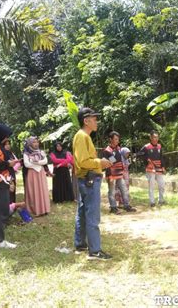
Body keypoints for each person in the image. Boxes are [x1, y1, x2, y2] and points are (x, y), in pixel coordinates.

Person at [72, 107, 113, 260]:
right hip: (89, 180)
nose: (97, 121)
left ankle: (80, 244)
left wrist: (99, 163)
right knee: (92, 216)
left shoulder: (83, 136)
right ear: (86, 121)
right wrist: (100, 162)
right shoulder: (82, 136)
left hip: (85, 180)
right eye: (94, 119)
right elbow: (83, 162)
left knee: (83, 213)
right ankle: (95, 251)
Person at [102, 132, 136, 214]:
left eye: (118, 139)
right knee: (112, 191)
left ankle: (126, 205)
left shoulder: (118, 149)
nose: (117, 141)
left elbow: (118, 160)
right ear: (110, 139)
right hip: (111, 174)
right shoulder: (107, 151)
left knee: (124, 189)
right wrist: (109, 176)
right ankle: (113, 207)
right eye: (115, 139)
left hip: (119, 174)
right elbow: (110, 163)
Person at [137, 131, 166, 207]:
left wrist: (163, 167)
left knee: (162, 184)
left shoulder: (159, 146)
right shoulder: (146, 147)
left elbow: (161, 157)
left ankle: (161, 200)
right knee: (151, 186)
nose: (155, 139)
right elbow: (139, 154)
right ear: (150, 138)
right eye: (154, 137)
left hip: (159, 168)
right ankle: (152, 202)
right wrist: (147, 160)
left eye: (157, 137)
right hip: (150, 169)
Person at [23, 136, 51, 216]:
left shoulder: (41, 152)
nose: (36, 144)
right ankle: (35, 209)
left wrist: (35, 162)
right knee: (34, 190)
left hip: (40, 172)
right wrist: (38, 163)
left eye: (37, 142)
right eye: (34, 142)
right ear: (30, 143)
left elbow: (45, 161)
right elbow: (26, 164)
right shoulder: (26, 153)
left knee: (42, 189)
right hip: (32, 173)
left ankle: (44, 209)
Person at [3, 140, 21, 204]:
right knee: (8, 188)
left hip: (12, 171)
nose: (8, 146)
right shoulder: (1, 154)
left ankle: (13, 204)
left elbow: (17, 162)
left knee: (13, 187)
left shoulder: (11, 153)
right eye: (6, 144)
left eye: (8, 144)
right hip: (5, 172)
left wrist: (15, 166)